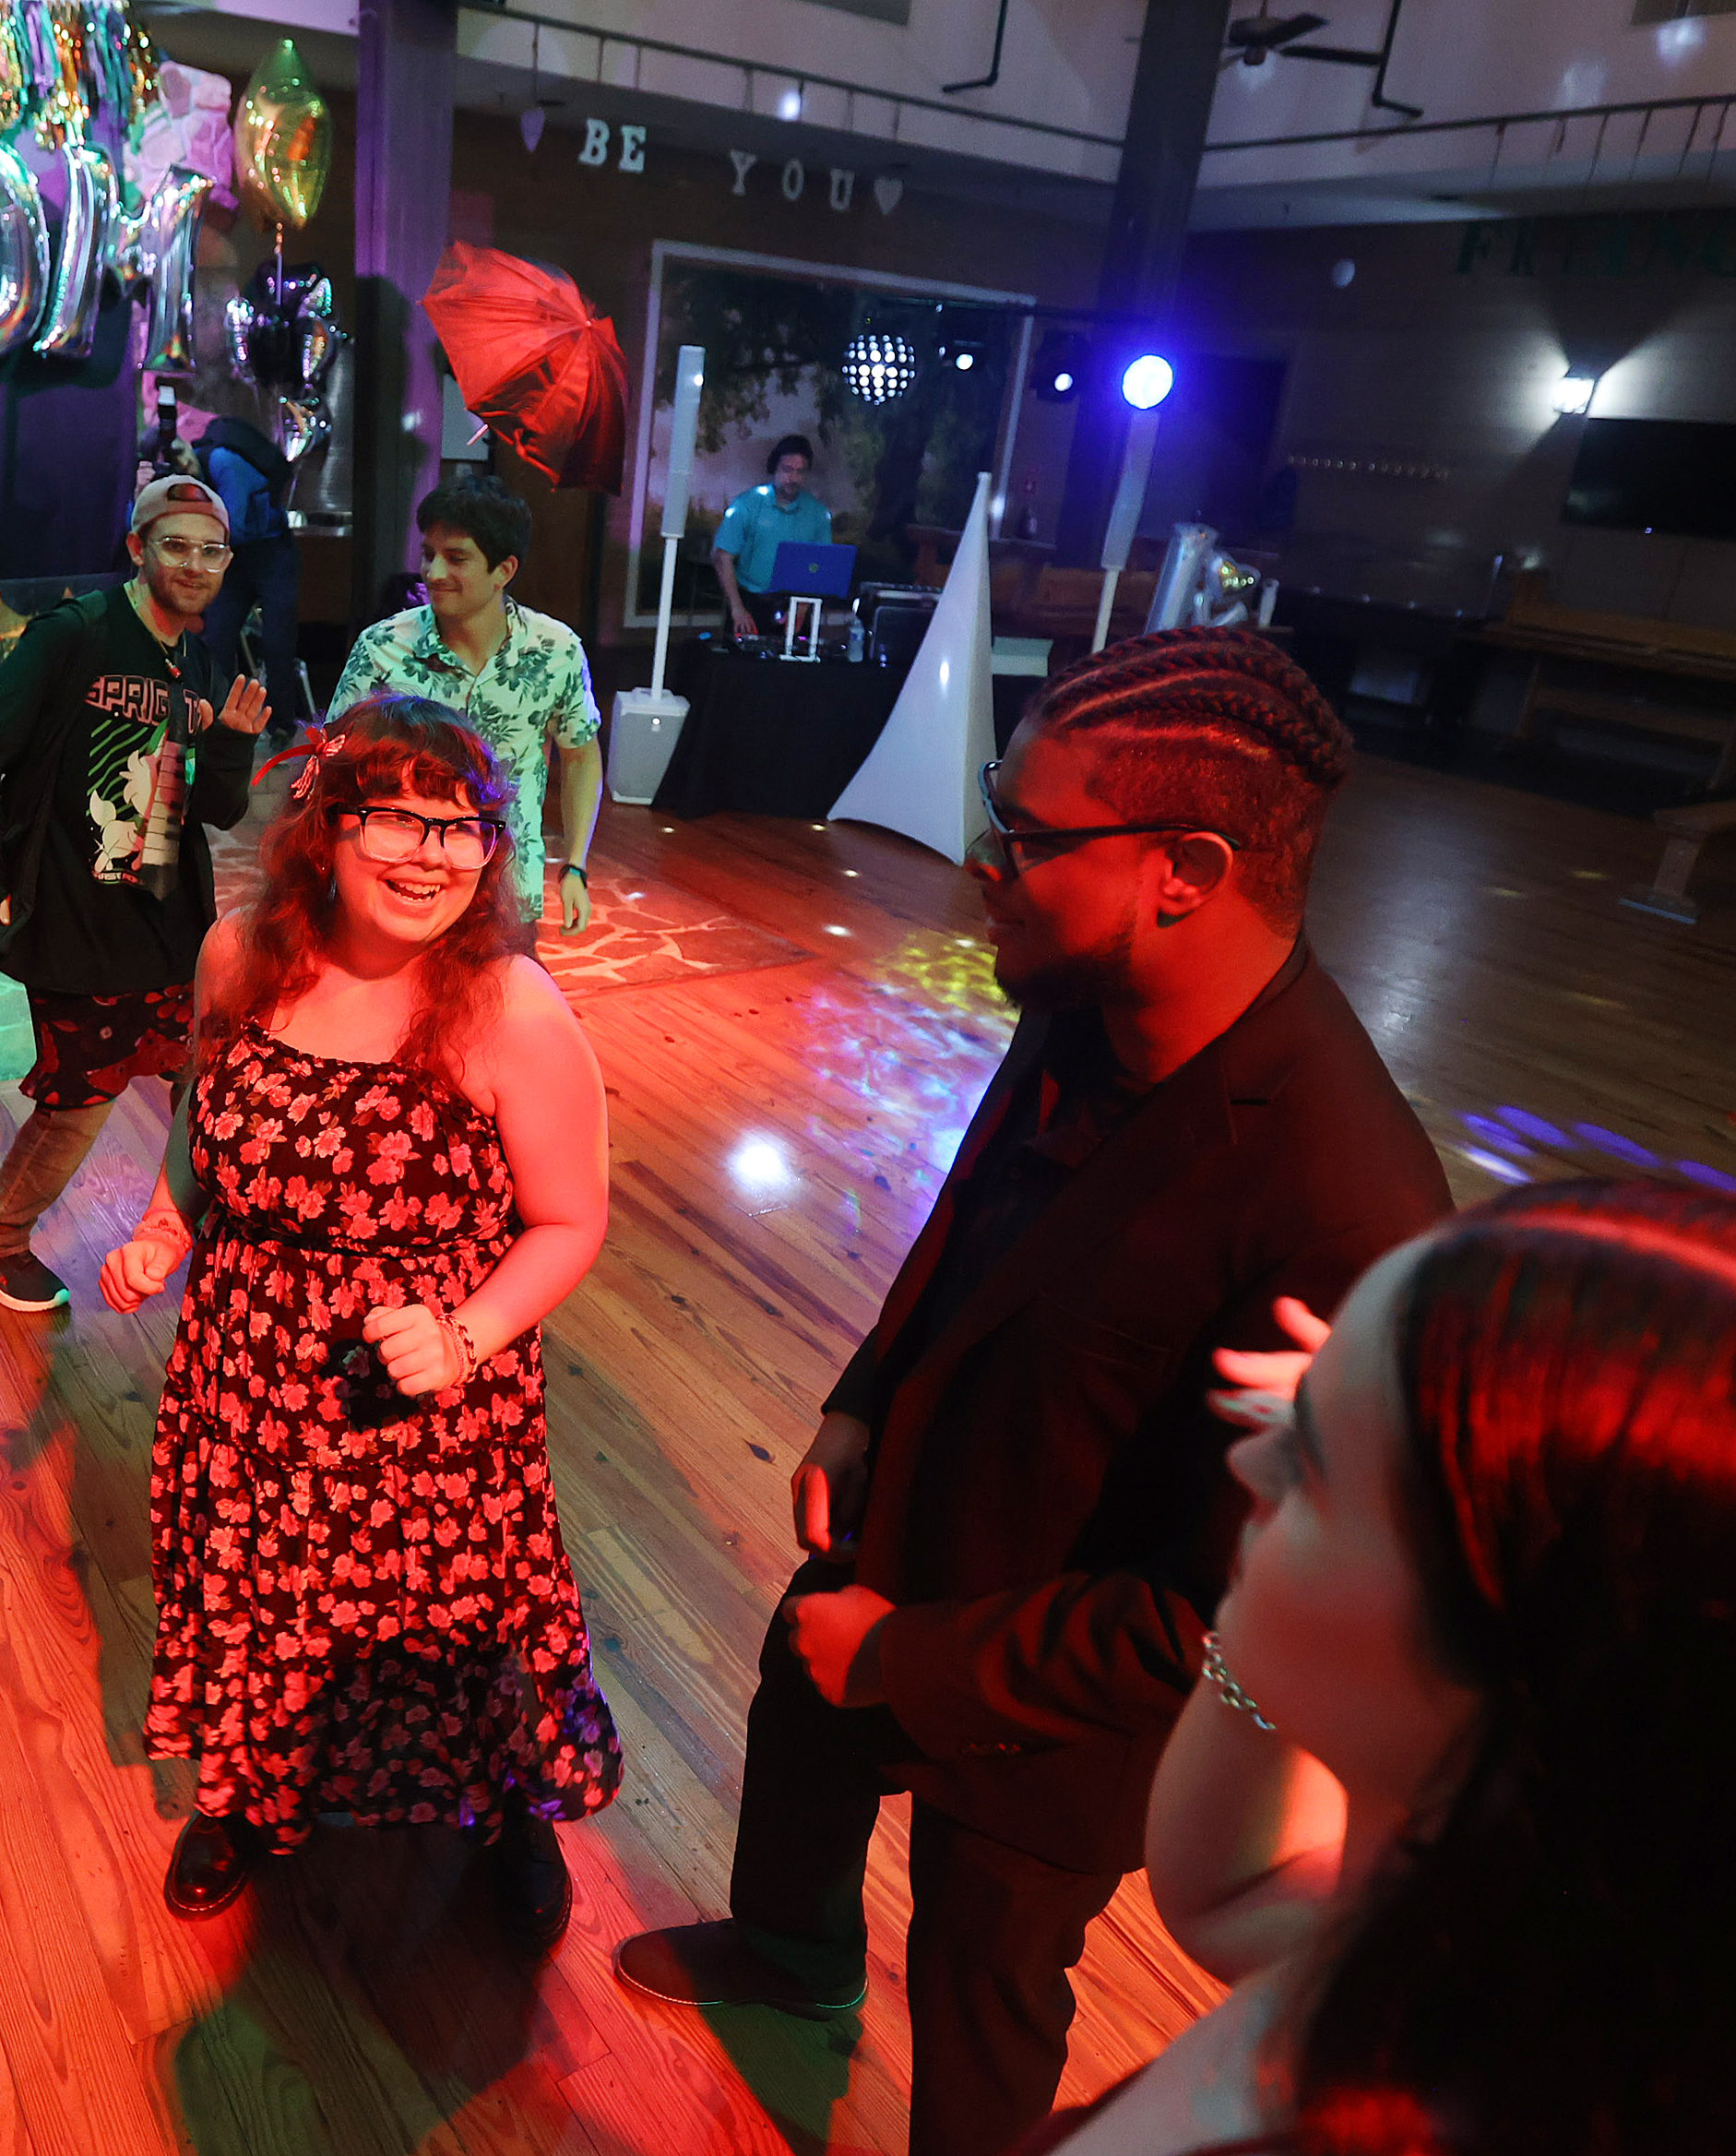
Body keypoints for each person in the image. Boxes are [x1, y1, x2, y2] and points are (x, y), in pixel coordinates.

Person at [612, 626, 1452, 2156]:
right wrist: (863, 1395)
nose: (989, 858)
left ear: (1180, 868)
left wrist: (905, 1657)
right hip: (922, 1527)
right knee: (797, 1735)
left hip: (1056, 1692)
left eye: (1029, 831)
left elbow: (1209, 1615)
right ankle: (793, 1957)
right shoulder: (1083, 991)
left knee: (983, 1968)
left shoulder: (1345, 1210)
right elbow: (973, 1214)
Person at [1029, 1179, 1736, 2156]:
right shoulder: (1621, 1976)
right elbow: (1232, 1891)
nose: (1247, 1462)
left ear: (1543, 1656)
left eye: (1306, 1457)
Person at [99, 696, 619, 1952]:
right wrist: (171, 1225)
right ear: (325, 827)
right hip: (248, 1374)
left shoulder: (513, 1009)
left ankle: (510, 1811)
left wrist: (467, 1332)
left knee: (447, 1618)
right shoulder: (239, 956)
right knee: (264, 1592)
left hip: (431, 1400)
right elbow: (196, 1122)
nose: (429, 854)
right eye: (396, 817)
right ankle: (250, 1798)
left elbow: (569, 1222)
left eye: (461, 829)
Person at [0, 474, 270, 1315]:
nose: (195, 565)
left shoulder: (196, 654)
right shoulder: (76, 635)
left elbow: (214, 810)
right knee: (80, 1097)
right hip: (75, 916)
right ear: (138, 548)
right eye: (176, 545)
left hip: (163, 916)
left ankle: (204, 1228)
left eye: (212, 550)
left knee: (199, 1076)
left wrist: (232, 743)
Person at [327, 470, 602, 948]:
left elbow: (580, 756)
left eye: (456, 559)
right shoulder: (383, 647)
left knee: (499, 1015)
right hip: (402, 881)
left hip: (505, 889)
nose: (433, 574)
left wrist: (575, 864)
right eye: (428, 554)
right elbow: (331, 762)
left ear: (505, 570)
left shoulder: (556, 651)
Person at [192, 398, 311, 727]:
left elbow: (237, 522)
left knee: (277, 644)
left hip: (272, 554)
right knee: (216, 637)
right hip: (241, 557)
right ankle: (214, 718)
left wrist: (205, 547)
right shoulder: (203, 466)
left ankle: (281, 724)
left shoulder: (222, 461)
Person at [712, 434, 836, 645]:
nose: (793, 478)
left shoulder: (817, 513)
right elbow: (722, 556)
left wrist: (802, 609)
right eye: (787, 469)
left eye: (800, 471)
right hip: (750, 602)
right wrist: (737, 608)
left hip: (795, 605)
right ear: (775, 468)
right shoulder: (746, 504)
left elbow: (821, 565)